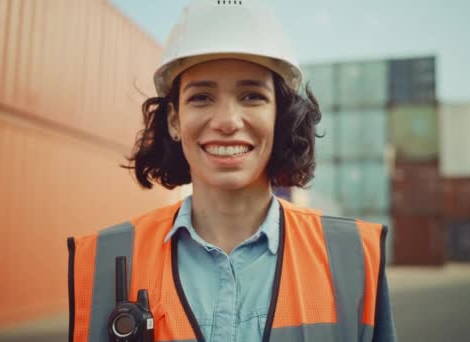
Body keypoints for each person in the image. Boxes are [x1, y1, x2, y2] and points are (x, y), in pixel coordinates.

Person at [67, 1, 396, 341]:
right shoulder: (106, 260)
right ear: (174, 120)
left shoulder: (351, 258)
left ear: (279, 116)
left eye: (252, 96)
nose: (227, 121)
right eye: (201, 97)